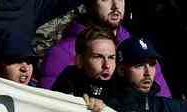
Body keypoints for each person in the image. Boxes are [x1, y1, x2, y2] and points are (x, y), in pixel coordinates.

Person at [39, 0, 172, 96]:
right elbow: (51, 109)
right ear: (90, 4)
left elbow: (162, 105)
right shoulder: (62, 53)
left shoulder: (142, 49)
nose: (115, 6)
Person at [51, 26, 116, 111]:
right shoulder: (69, 77)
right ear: (79, 60)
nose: (107, 65)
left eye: (111, 57)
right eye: (98, 57)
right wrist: (78, 100)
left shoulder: (123, 82)